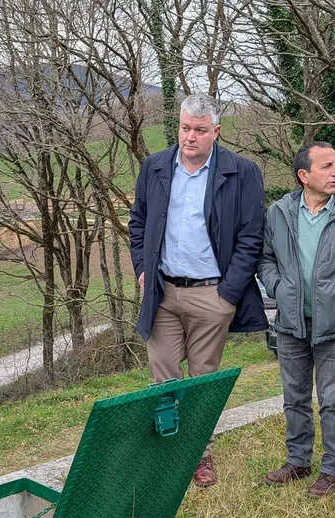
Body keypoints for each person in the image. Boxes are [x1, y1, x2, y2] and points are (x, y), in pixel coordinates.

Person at [129, 94, 267, 487]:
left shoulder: (241, 172)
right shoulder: (156, 167)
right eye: (185, 128)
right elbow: (138, 222)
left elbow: (251, 237)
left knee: (202, 381)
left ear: (216, 132)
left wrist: (229, 295)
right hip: (163, 292)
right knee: (164, 379)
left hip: (212, 295)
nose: (190, 137)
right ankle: (169, 454)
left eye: (200, 130)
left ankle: (200, 456)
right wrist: (142, 269)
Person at [258, 142, 335, 496]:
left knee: (332, 401)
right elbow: (265, 259)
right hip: (291, 324)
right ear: (303, 175)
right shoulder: (278, 213)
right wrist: (279, 288)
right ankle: (298, 461)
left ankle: (332, 469)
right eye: (326, 166)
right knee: (294, 397)